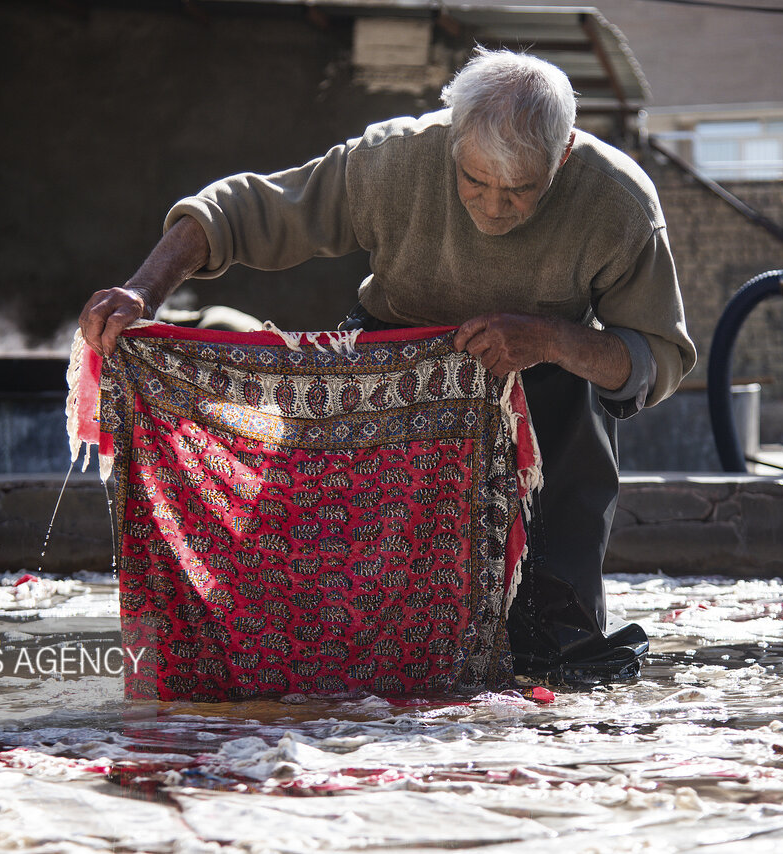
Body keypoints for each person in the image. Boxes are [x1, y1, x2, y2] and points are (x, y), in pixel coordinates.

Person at [78, 48, 696, 683]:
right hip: (388, 384)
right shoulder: (395, 159)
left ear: (562, 157)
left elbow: (659, 357)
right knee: (323, 589)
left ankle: (539, 667)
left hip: (547, 393)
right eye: (474, 182)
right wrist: (144, 289)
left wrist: (555, 340)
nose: (491, 209)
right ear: (452, 140)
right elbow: (246, 212)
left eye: (519, 192)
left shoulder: (618, 203)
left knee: (551, 647)